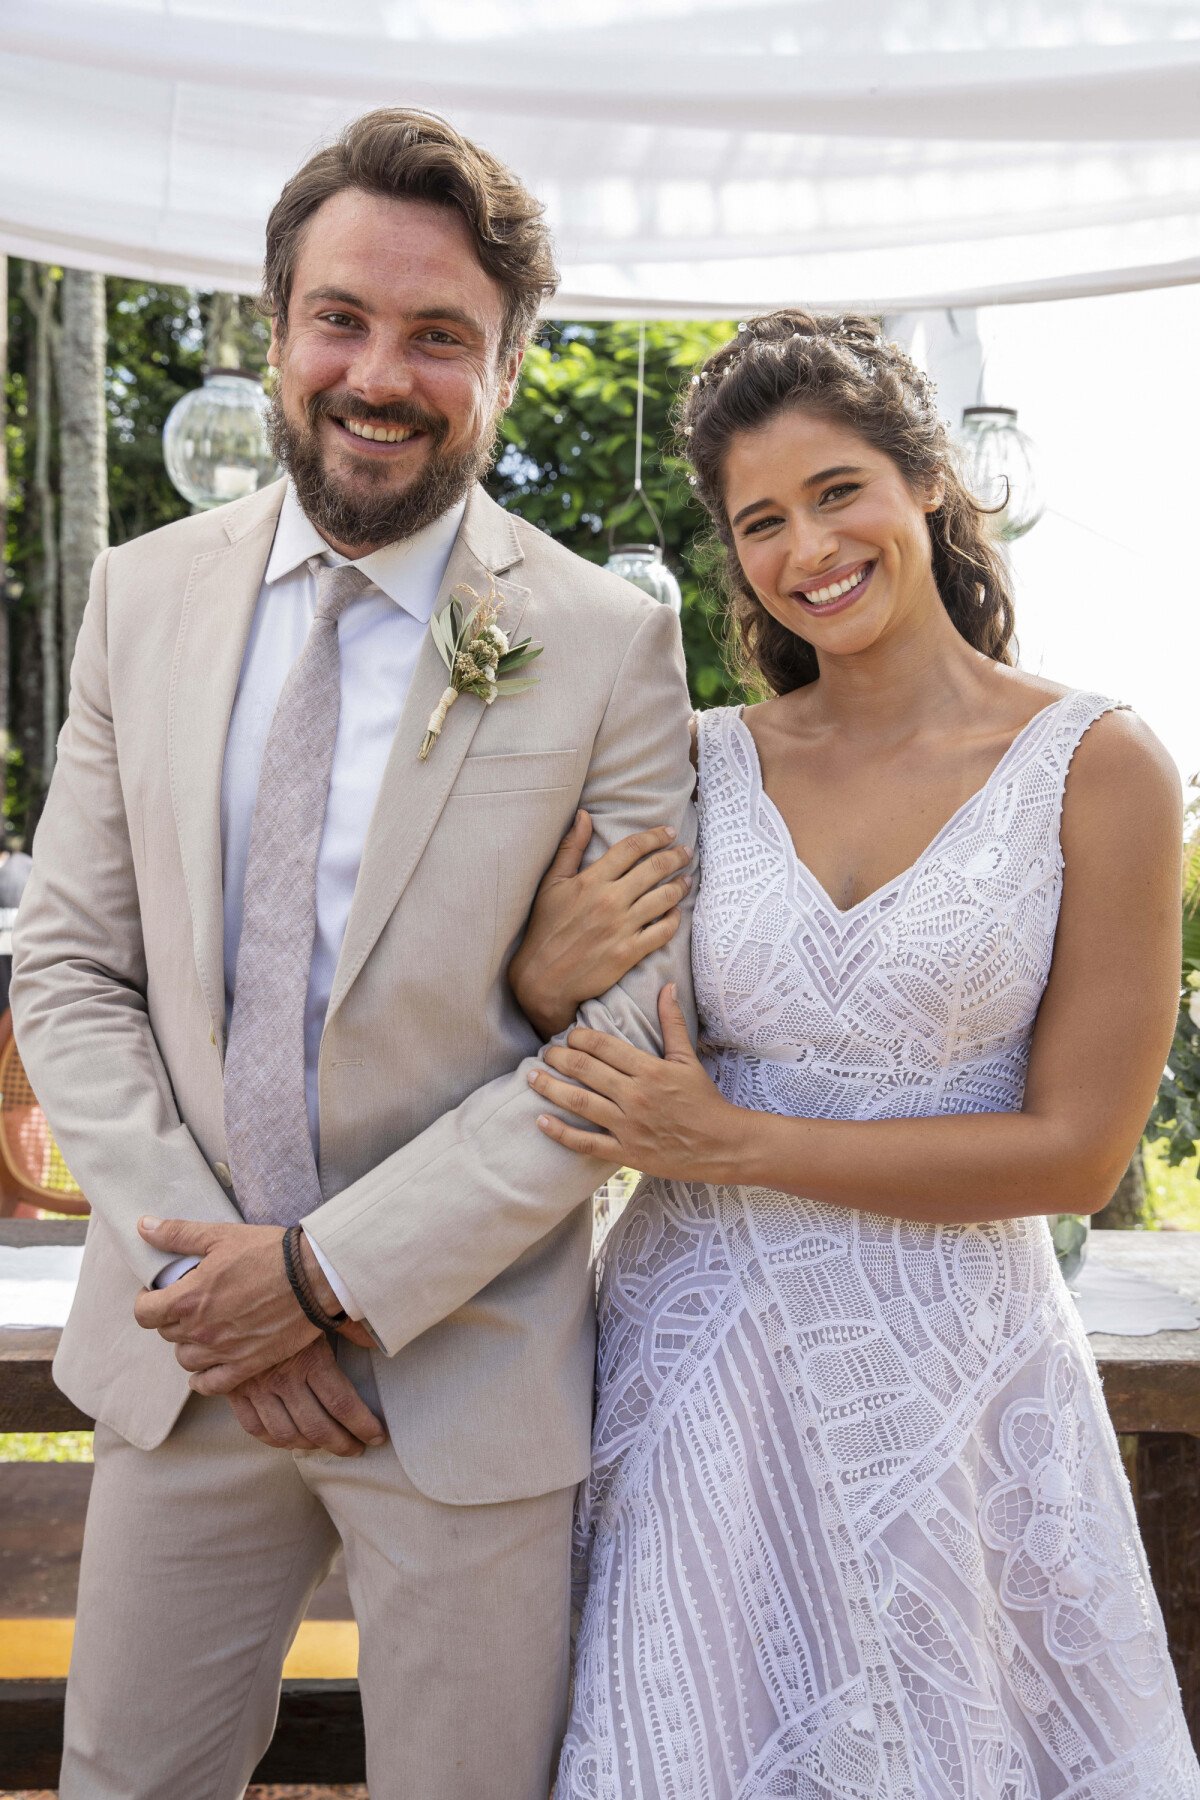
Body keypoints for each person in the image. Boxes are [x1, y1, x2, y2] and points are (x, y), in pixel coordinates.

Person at [10, 108, 695, 1800]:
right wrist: (221, 1291)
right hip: (188, 1363)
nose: (379, 374)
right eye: (343, 320)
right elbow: (72, 969)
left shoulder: (606, 643)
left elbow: (621, 1035)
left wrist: (323, 1281)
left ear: (509, 370)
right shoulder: (139, 598)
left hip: (462, 1371)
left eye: (440, 337)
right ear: (278, 328)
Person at [508, 313, 1200, 1797]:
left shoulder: (1099, 764)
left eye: (838, 492)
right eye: (759, 520)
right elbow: (554, 1024)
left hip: (958, 1391)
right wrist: (535, 973)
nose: (806, 546)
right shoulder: (695, 762)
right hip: (704, 1375)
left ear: (928, 484)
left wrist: (730, 1143)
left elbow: (1079, 1153)